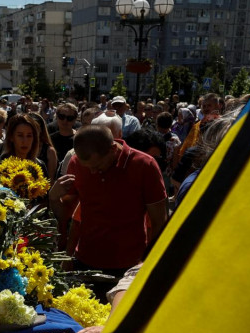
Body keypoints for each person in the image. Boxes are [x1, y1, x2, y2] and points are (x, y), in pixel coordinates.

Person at [49, 124, 168, 297]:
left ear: (113, 149)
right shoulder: (77, 163)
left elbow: (159, 221)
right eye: (87, 167)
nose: (92, 171)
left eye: (97, 166)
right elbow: (66, 216)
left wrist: (149, 264)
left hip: (128, 267)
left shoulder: (144, 165)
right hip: (85, 263)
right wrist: (53, 197)